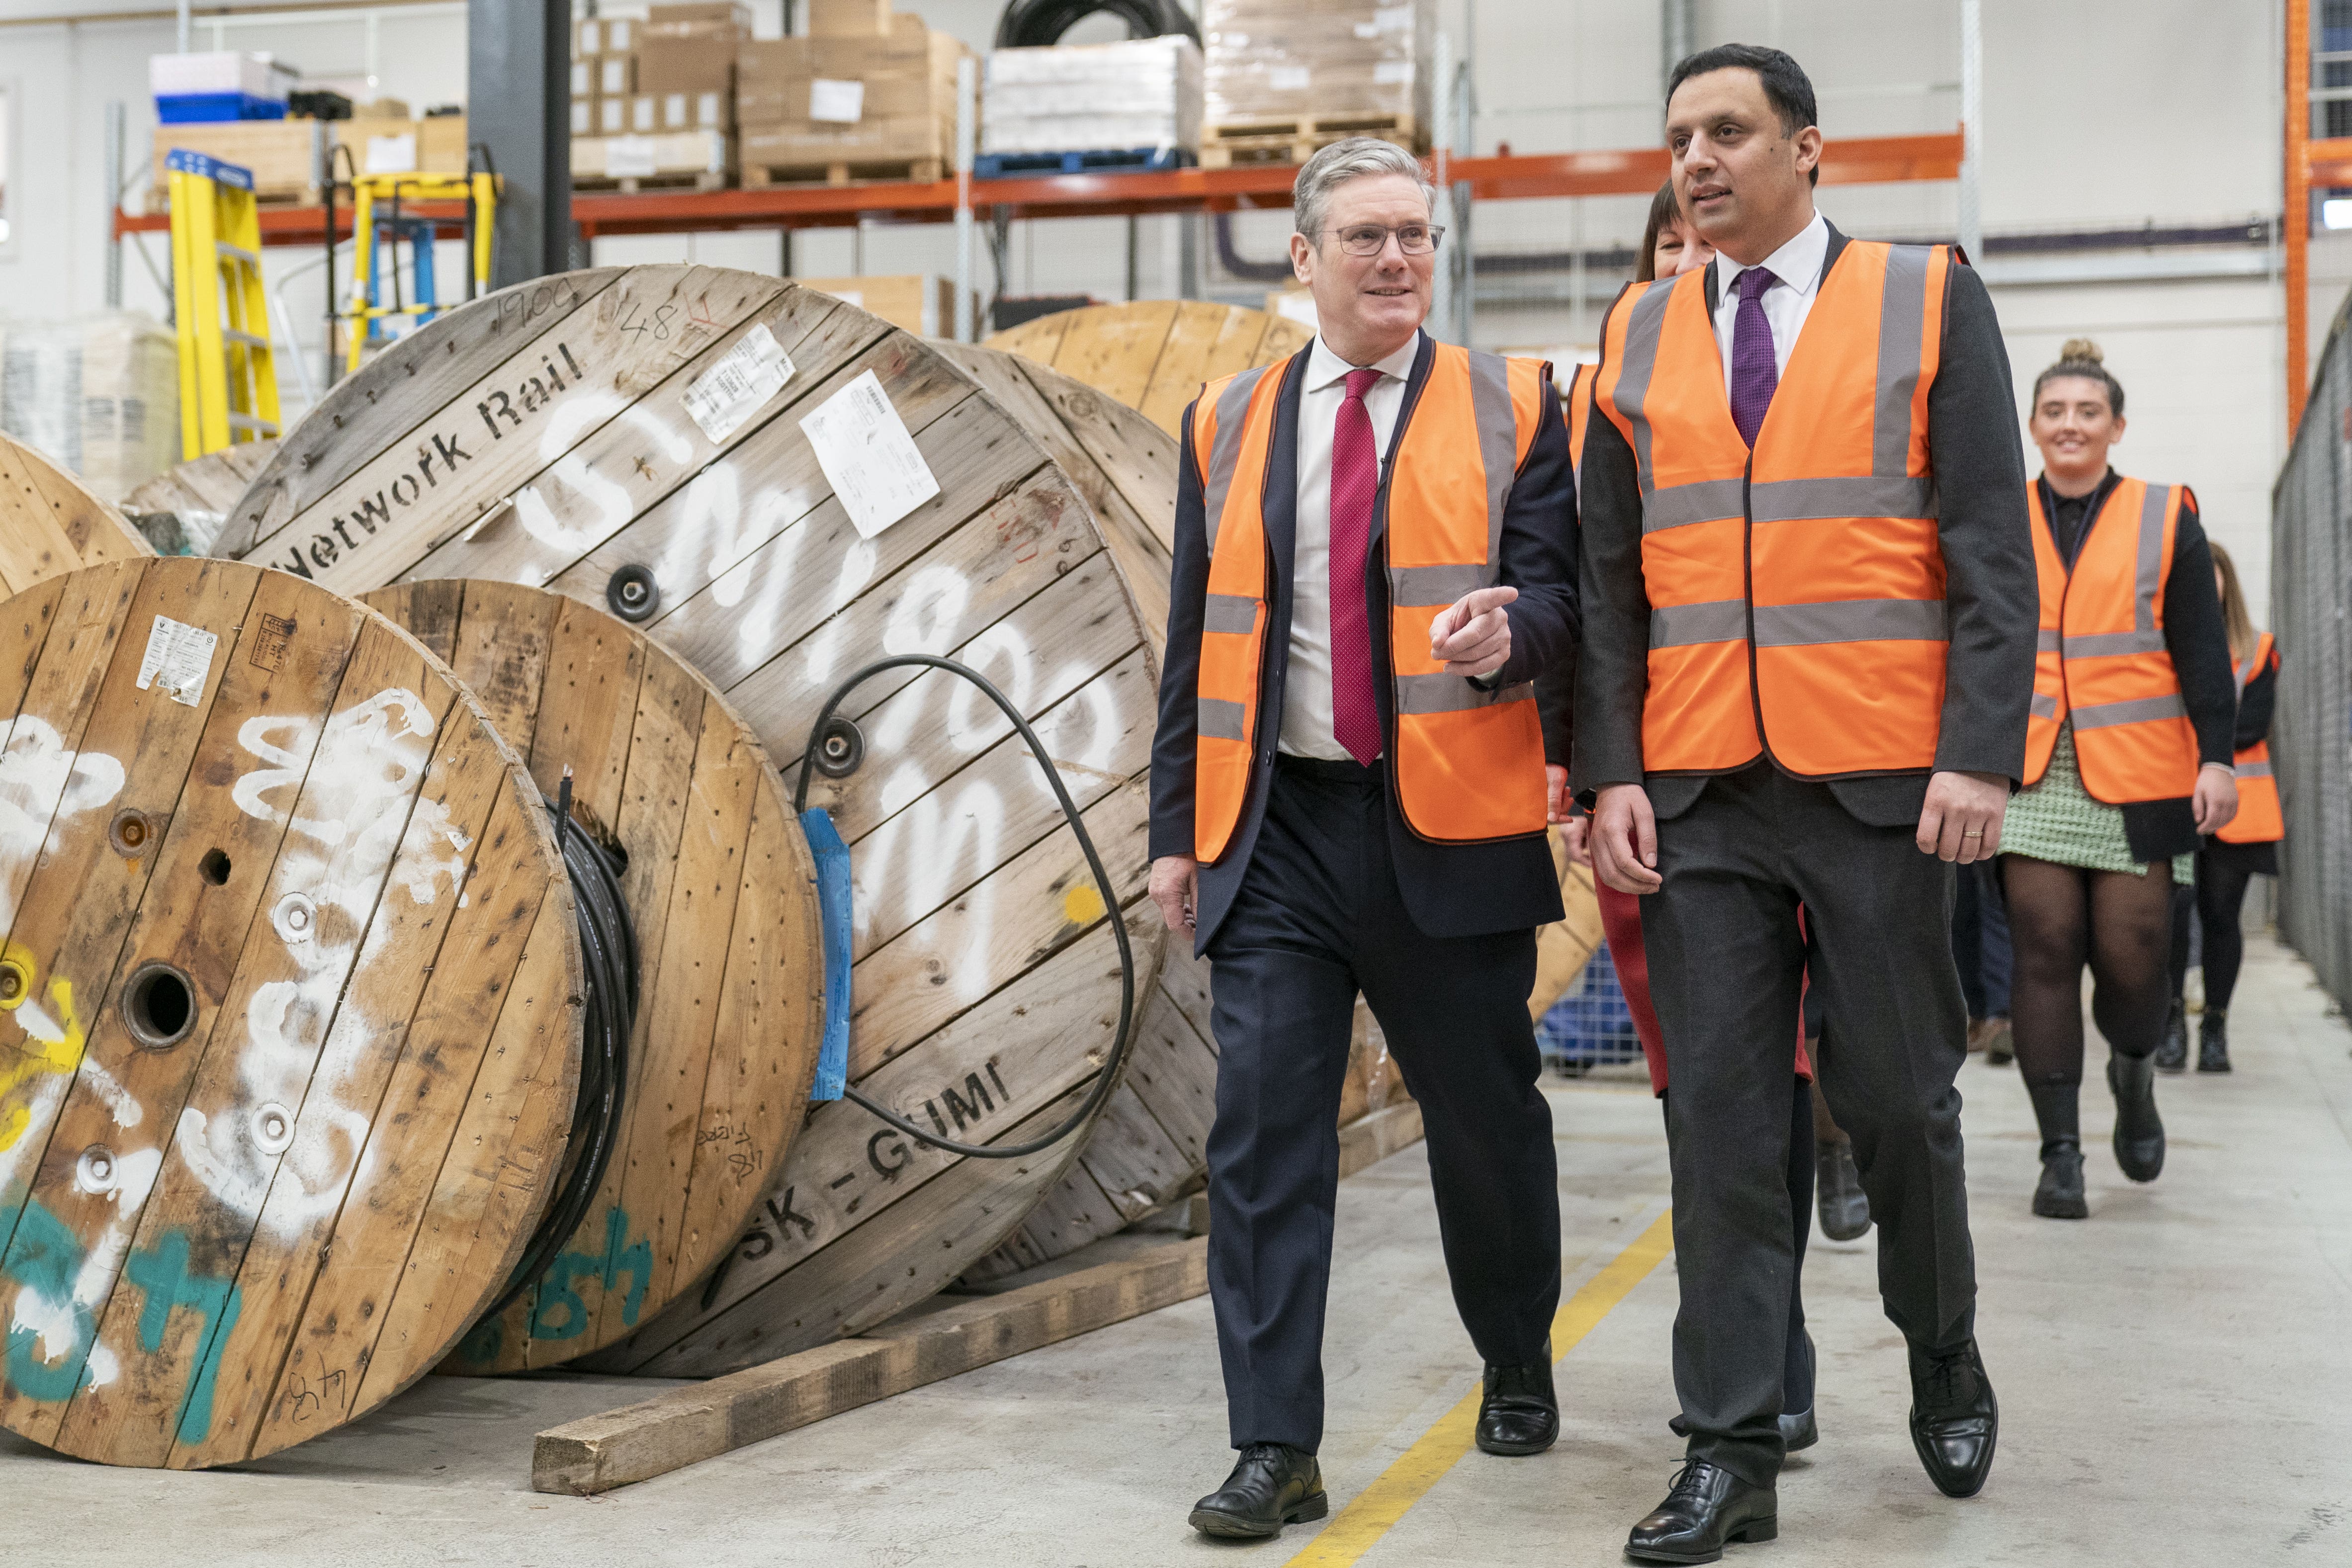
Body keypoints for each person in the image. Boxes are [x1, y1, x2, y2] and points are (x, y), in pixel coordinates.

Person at [1576, 45, 2037, 1559]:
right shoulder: (1635, 329)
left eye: (1727, 132)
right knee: (1717, 1121)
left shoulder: (1924, 296)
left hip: (1881, 787)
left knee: (1896, 1100)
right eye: (1678, 138)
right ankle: (1727, 1444)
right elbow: (1605, 585)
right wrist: (1609, 773)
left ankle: (1938, 1343)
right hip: (1703, 787)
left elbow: (1985, 540)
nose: (1697, 160)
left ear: (1807, 150)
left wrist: (1977, 751)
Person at [1146, 136, 1578, 1540]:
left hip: (1444, 821)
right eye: (1367, 238)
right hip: (1275, 829)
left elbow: (1568, 603)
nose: (1397, 259)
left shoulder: (1515, 406)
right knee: (1263, 1139)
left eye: (1416, 235)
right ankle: (1274, 1440)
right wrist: (1175, 832)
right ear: (1303, 258)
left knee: (1483, 1122)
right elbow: (1191, 650)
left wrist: (1515, 633)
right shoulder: (1225, 422)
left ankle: (1514, 1351)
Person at [2001, 338, 2238, 1221]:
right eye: (2054, 411)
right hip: (2030, 770)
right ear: (2032, 424)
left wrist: (2215, 754)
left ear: (2116, 426)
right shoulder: (1998, 512)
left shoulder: (2163, 513)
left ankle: (2134, 1072)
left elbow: (2201, 647)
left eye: (2087, 411)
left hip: (2143, 771)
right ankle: (2058, 1149)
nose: (2070, 424)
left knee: (2136, 964)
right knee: (2045, 944)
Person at [2158, 541, 2278, 1074]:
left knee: (2222, 917)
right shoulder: (2161, 647)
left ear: (2227, 581)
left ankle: (2215, 1030)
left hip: (2239, 810)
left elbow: (2252, 725)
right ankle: (2172, 1028)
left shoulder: (2258, 649)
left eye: (2214, 576)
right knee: (2174, 917)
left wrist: (2202, 735)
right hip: (2174, 803)